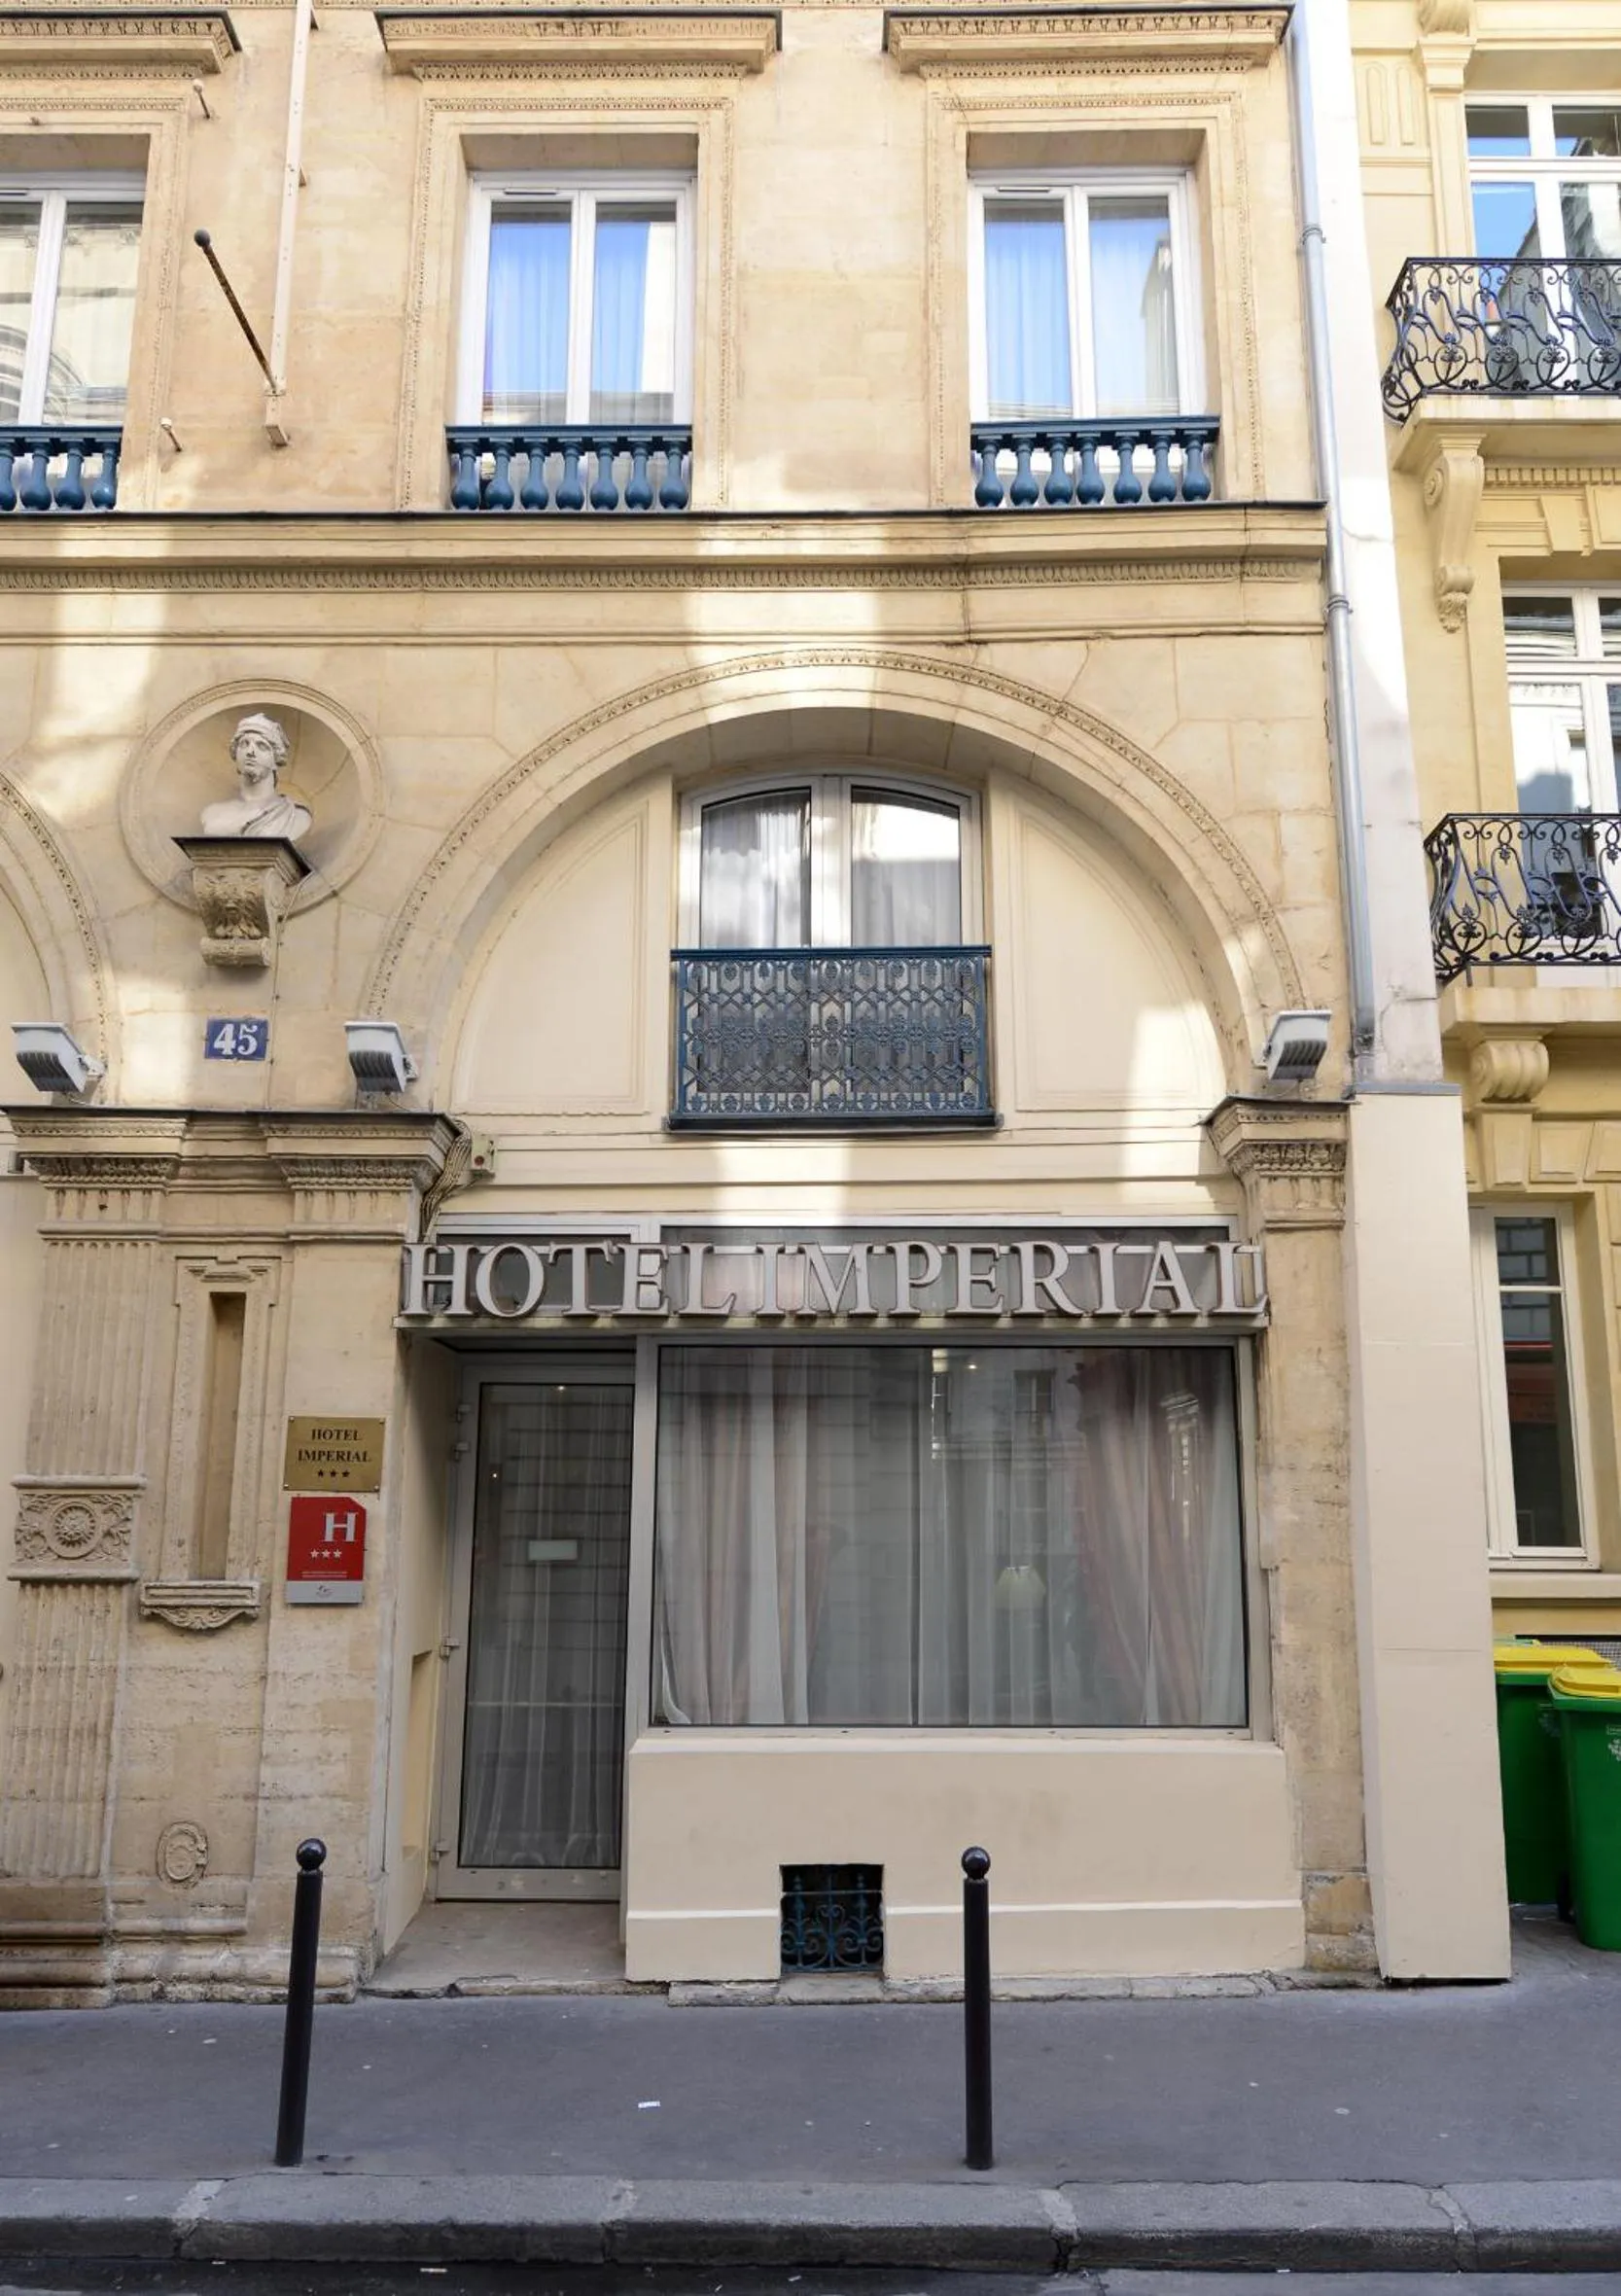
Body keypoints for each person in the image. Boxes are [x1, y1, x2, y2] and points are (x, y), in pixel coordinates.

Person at [199, 714, 312, 841]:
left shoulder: (296, 816)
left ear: (276, 759)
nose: (250, 752)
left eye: (261, 746)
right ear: (235, 753)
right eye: (244, 744)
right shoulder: (213, 813)